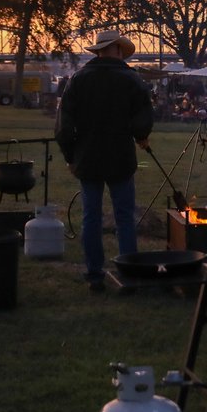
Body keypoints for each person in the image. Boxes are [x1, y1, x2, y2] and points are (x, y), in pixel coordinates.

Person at [55, 30, 153, 292]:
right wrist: (141, 136)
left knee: (91, 218)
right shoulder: (132, 80)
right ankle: (130, 273)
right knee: (124, 217)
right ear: (118, 50)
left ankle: (95, 275)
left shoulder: (78, 80)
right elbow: (143, 117)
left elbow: (64, 125)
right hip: (120, 157)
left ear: (98, 51)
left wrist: (70, 155)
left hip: (88, 158)